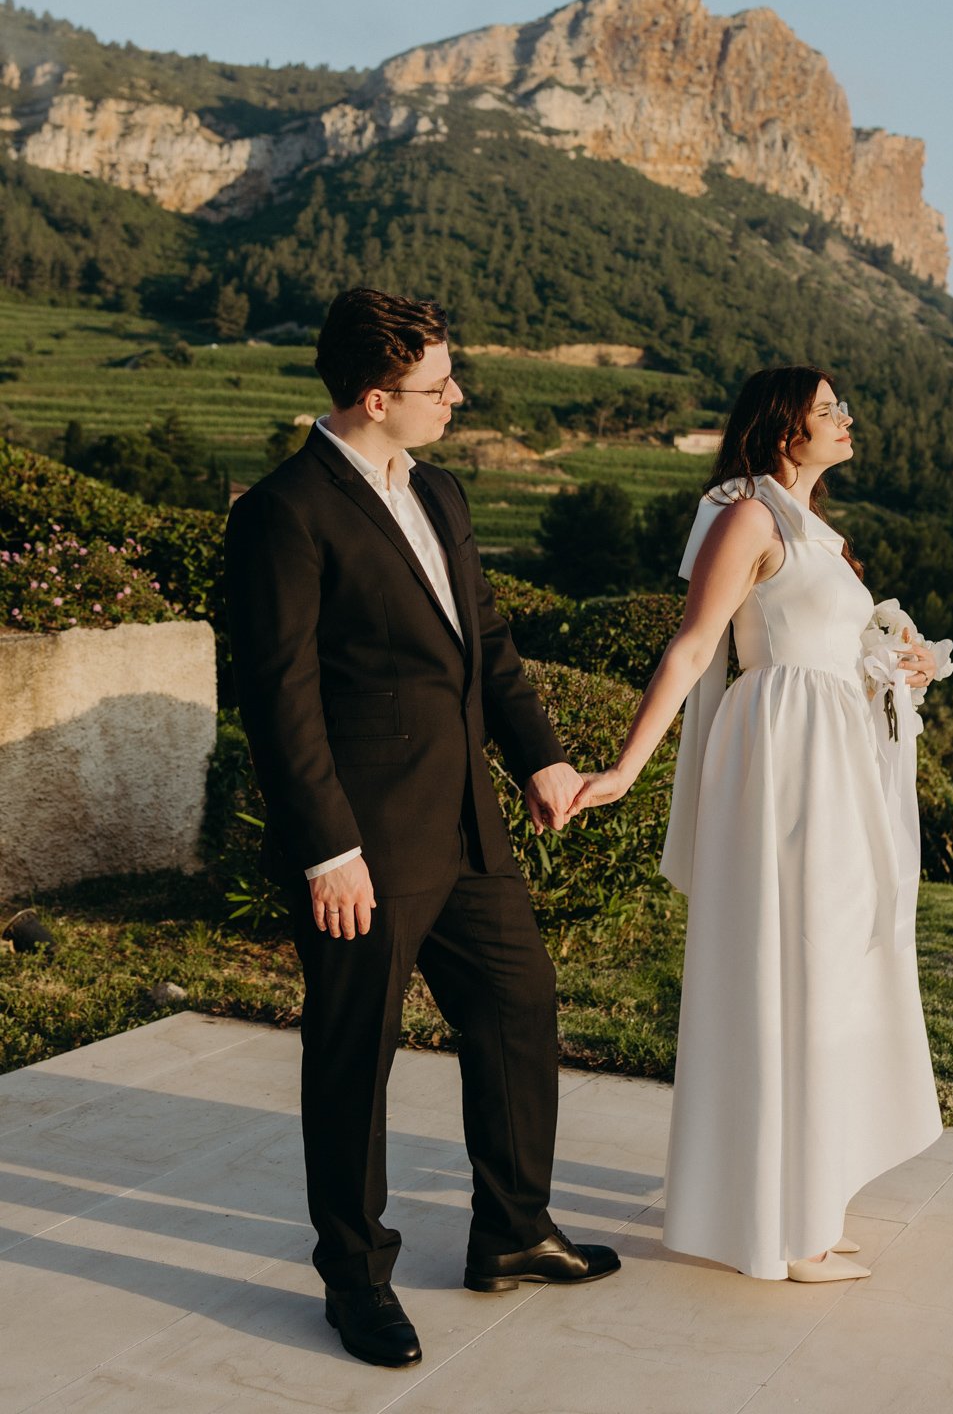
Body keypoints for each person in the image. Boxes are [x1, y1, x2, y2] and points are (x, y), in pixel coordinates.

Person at [224, 287, 619, 1369]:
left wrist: (539, 754)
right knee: (357, 1059)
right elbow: (280, 696)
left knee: (520, 1004)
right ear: (373, 395)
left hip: (468, 828)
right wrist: (327, 847)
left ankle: (512, 1228)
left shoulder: (438, 491)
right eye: (439, 386)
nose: (458, 397)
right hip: (362, 845)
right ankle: (355, 1279)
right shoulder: (285, 511)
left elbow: (484, 644)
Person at [567, 365, 949, 1283]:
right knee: (797, 963)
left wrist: (898, 668)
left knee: (834, 963)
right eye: (828, 410)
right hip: (784, 760)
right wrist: (626, 767)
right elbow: (697, 645)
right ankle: (790, 1227)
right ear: (784, 427)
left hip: (836, 760)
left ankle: (802, 1200)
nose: (845, 418)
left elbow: (831, 651)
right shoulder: (748, 518)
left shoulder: (821, 534)